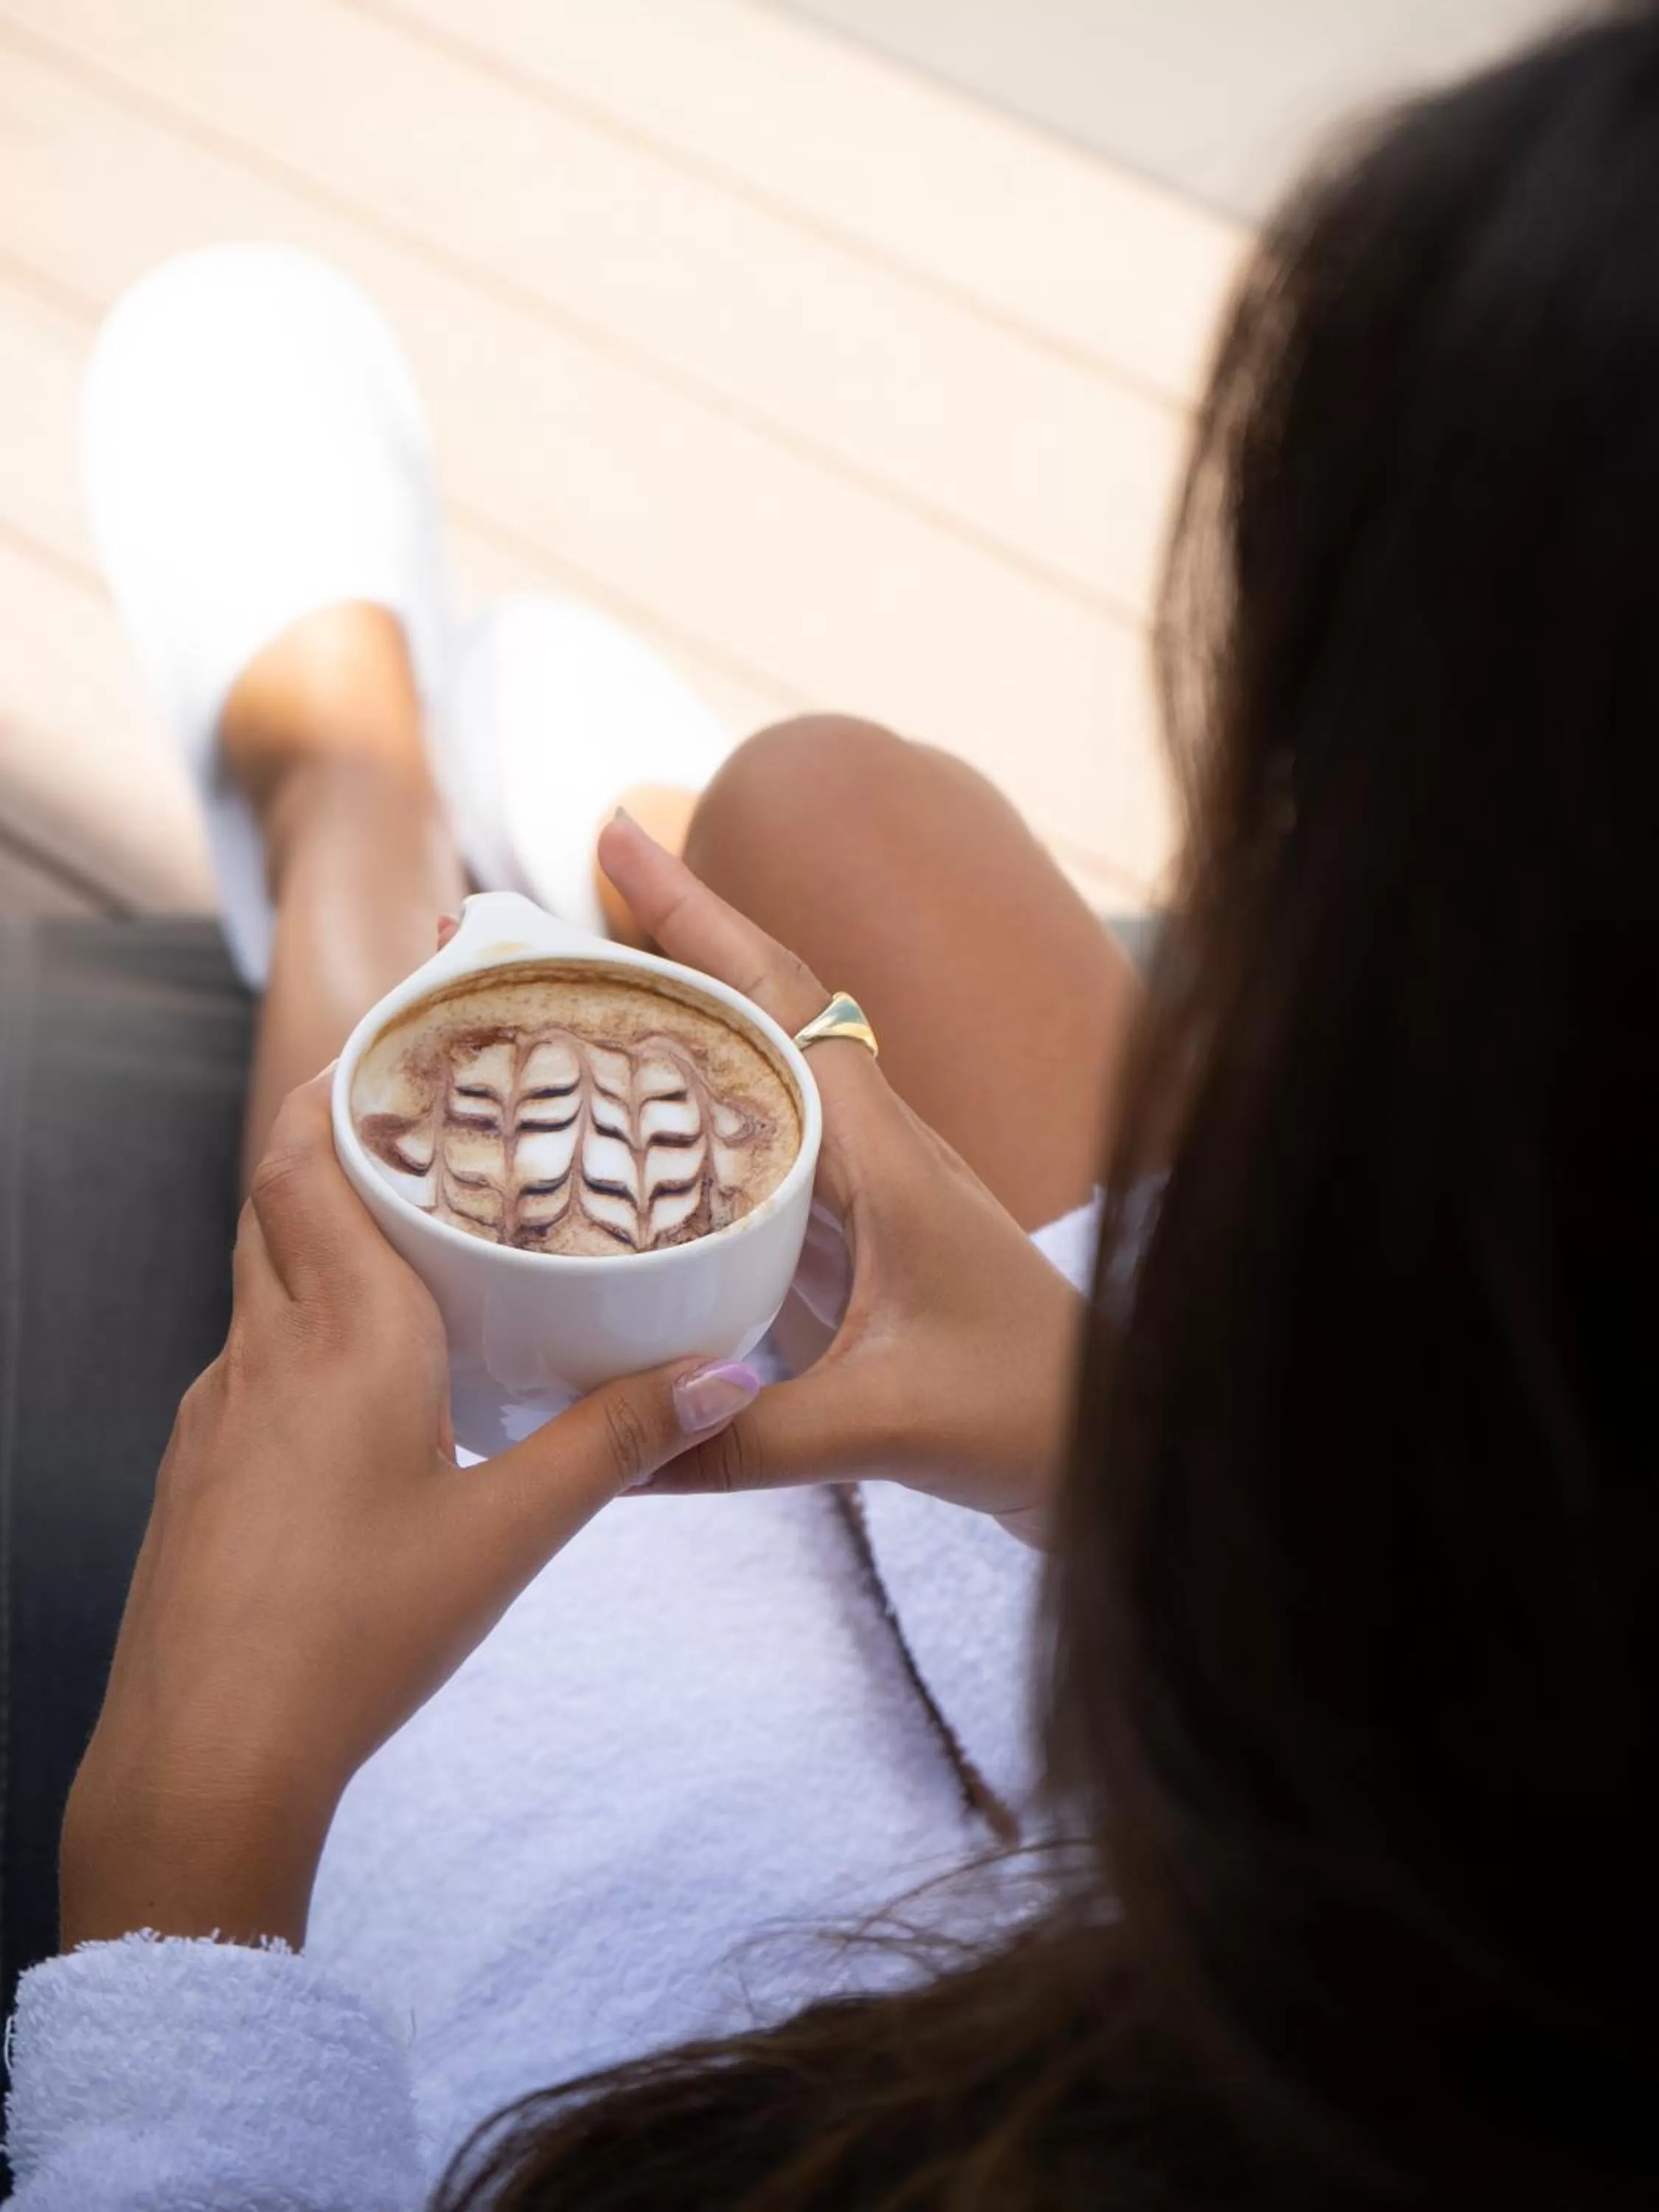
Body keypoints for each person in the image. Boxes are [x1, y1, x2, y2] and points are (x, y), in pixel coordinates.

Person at [4, 4, 1658, 2204]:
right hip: (1307, 1710)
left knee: (387, 1221)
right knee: (836, 808)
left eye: (1302, 843)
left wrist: (179, 1871)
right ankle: (620, 840)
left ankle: (356, 827)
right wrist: (1121, 1456)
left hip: (658, 1920)